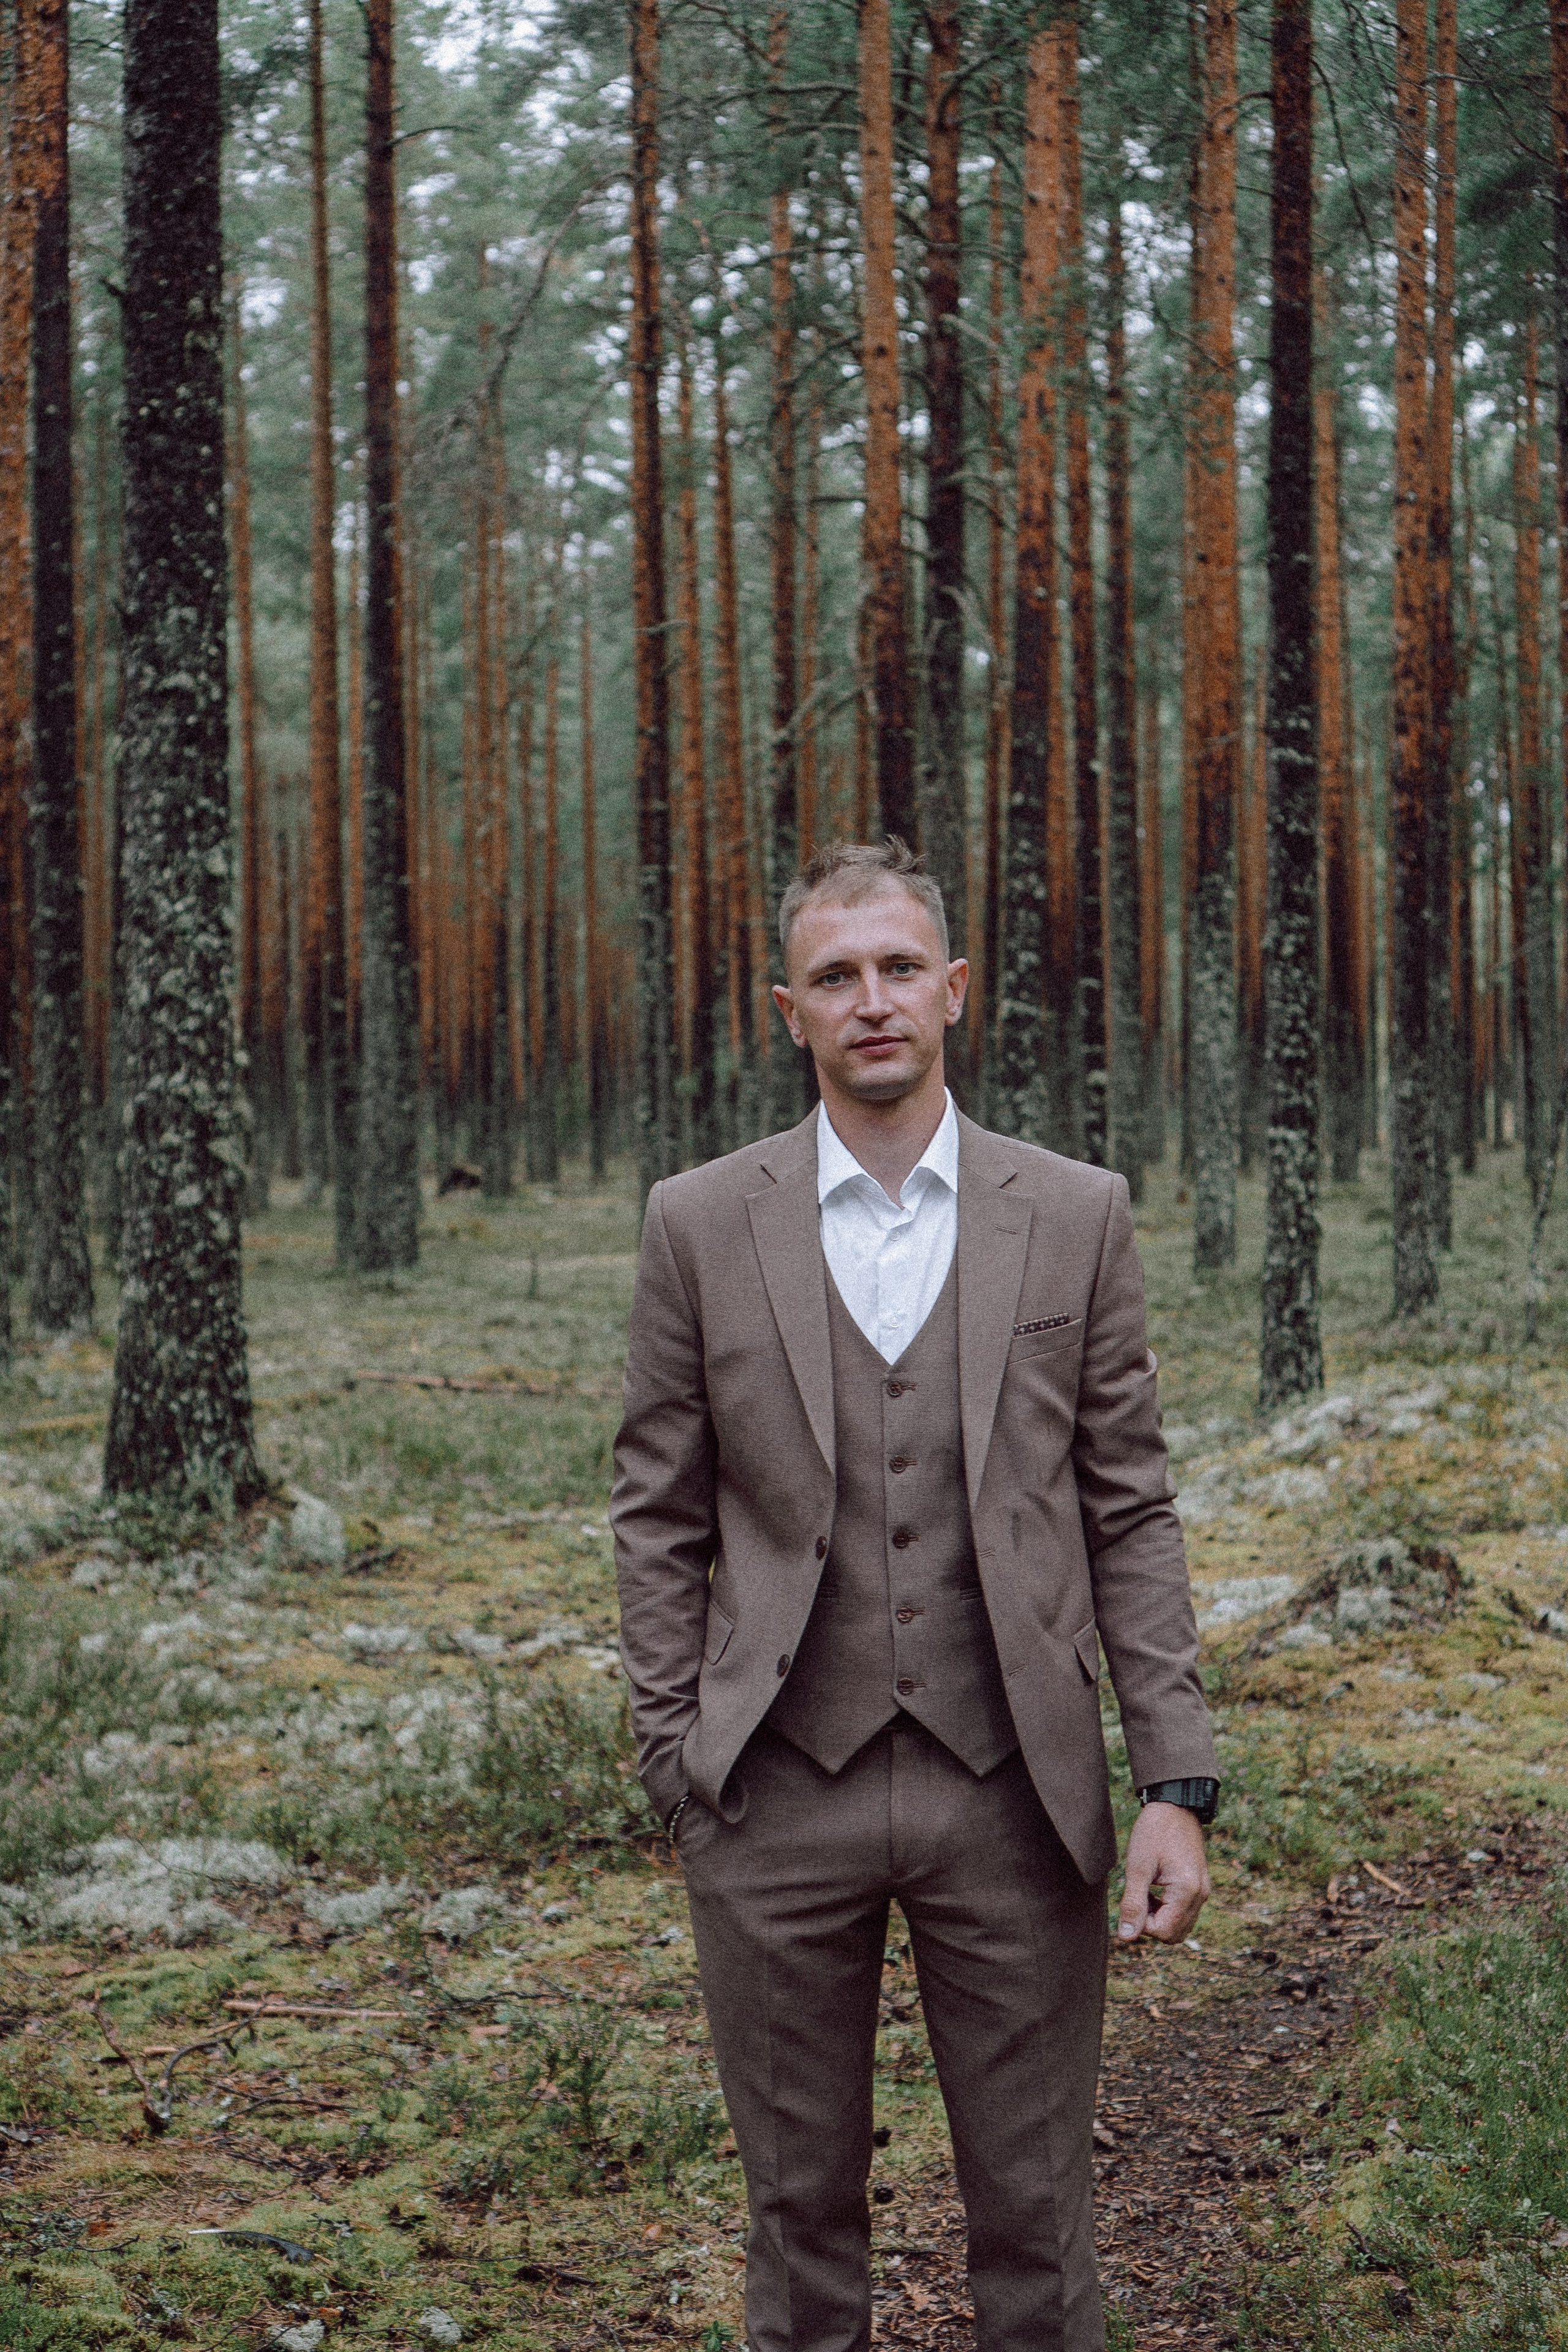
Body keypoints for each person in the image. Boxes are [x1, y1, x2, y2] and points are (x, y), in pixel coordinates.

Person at [611, 840, 1218, 2352]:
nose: (869, 1000)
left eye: (896, 969)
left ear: (951, 990)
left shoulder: (1072, 1212)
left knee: (1037, 2223)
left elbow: (1127, 1507)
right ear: (789, 1012)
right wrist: (676, 1761)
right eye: (834, 977)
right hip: (771, 1795)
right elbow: (656, 1510)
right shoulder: (698, 1222)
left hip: (1014, 1791)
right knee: (796, 2224)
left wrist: (1175, 1781)